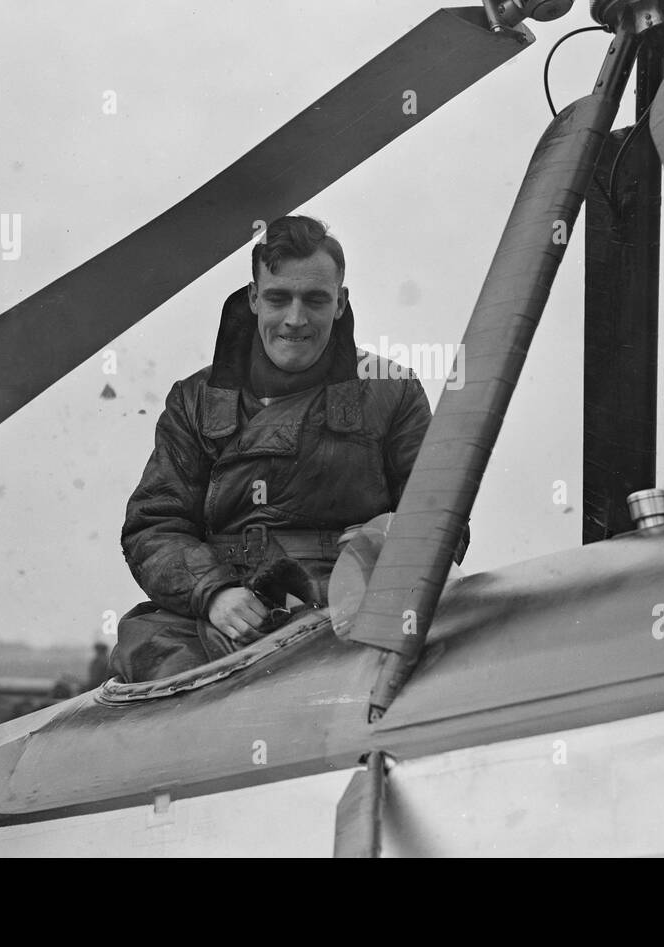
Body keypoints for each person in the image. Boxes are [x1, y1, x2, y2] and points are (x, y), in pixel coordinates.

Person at [110, 215, 438, 683]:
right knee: (161, 678)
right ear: (253, 299)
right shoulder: (194, 399)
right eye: (279, 298)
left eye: (316, 300)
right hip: (220, 617)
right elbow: (153, 526)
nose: (296, 319)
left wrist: (385, 537)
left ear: (340, 303)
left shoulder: (393, 392)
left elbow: (442, 517)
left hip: (350, 610)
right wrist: (214, 593)